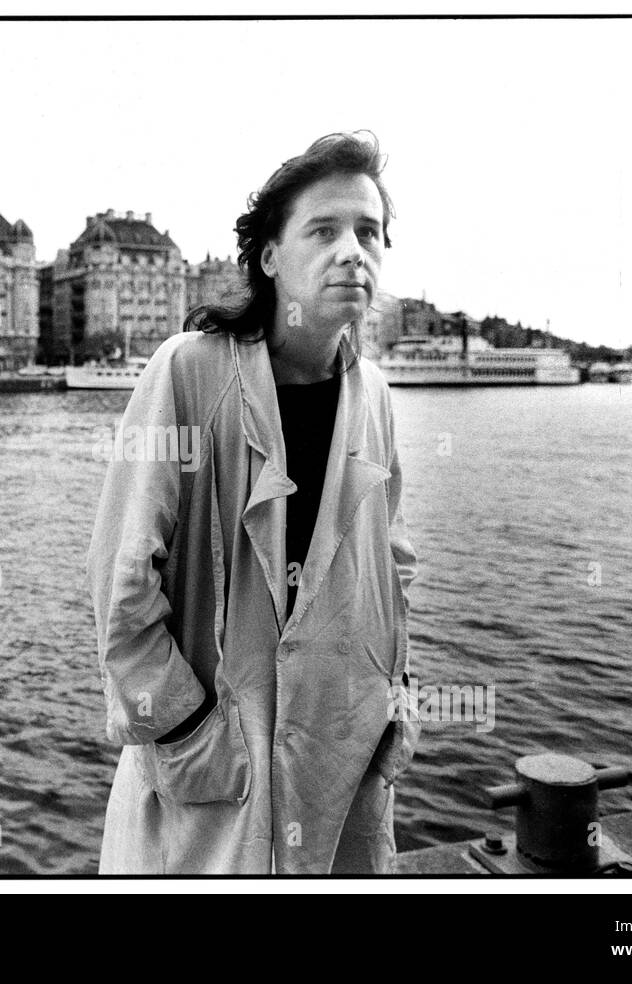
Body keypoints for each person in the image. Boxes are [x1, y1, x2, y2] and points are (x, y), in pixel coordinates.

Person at [86, 131, 420, 875]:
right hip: (212, 783)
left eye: (369, 232)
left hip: (339, 766)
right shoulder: (189, 374)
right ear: (270, 257)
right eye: (323, 230)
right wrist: (188, 733)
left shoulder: (376, 397)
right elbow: (121, 579)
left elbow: (392, 569)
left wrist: (396, 701)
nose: (351, 251)